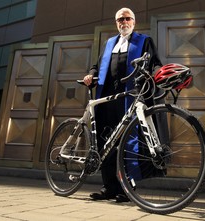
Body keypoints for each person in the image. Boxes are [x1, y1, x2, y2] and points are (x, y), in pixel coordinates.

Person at [83, 7, 162, 203]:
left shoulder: (144, 41)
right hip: (108, 100)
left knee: (128, 144)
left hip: (129, 99)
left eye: (127, 19)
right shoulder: (110, 43)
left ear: (133, 22)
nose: (123, 22)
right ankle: (109, 187)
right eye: (120, 19)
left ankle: (127, 188)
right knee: (106, 143)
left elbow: (155, 63)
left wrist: (158, 74)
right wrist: (91, 74)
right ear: (116, 22)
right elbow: (97, 65)